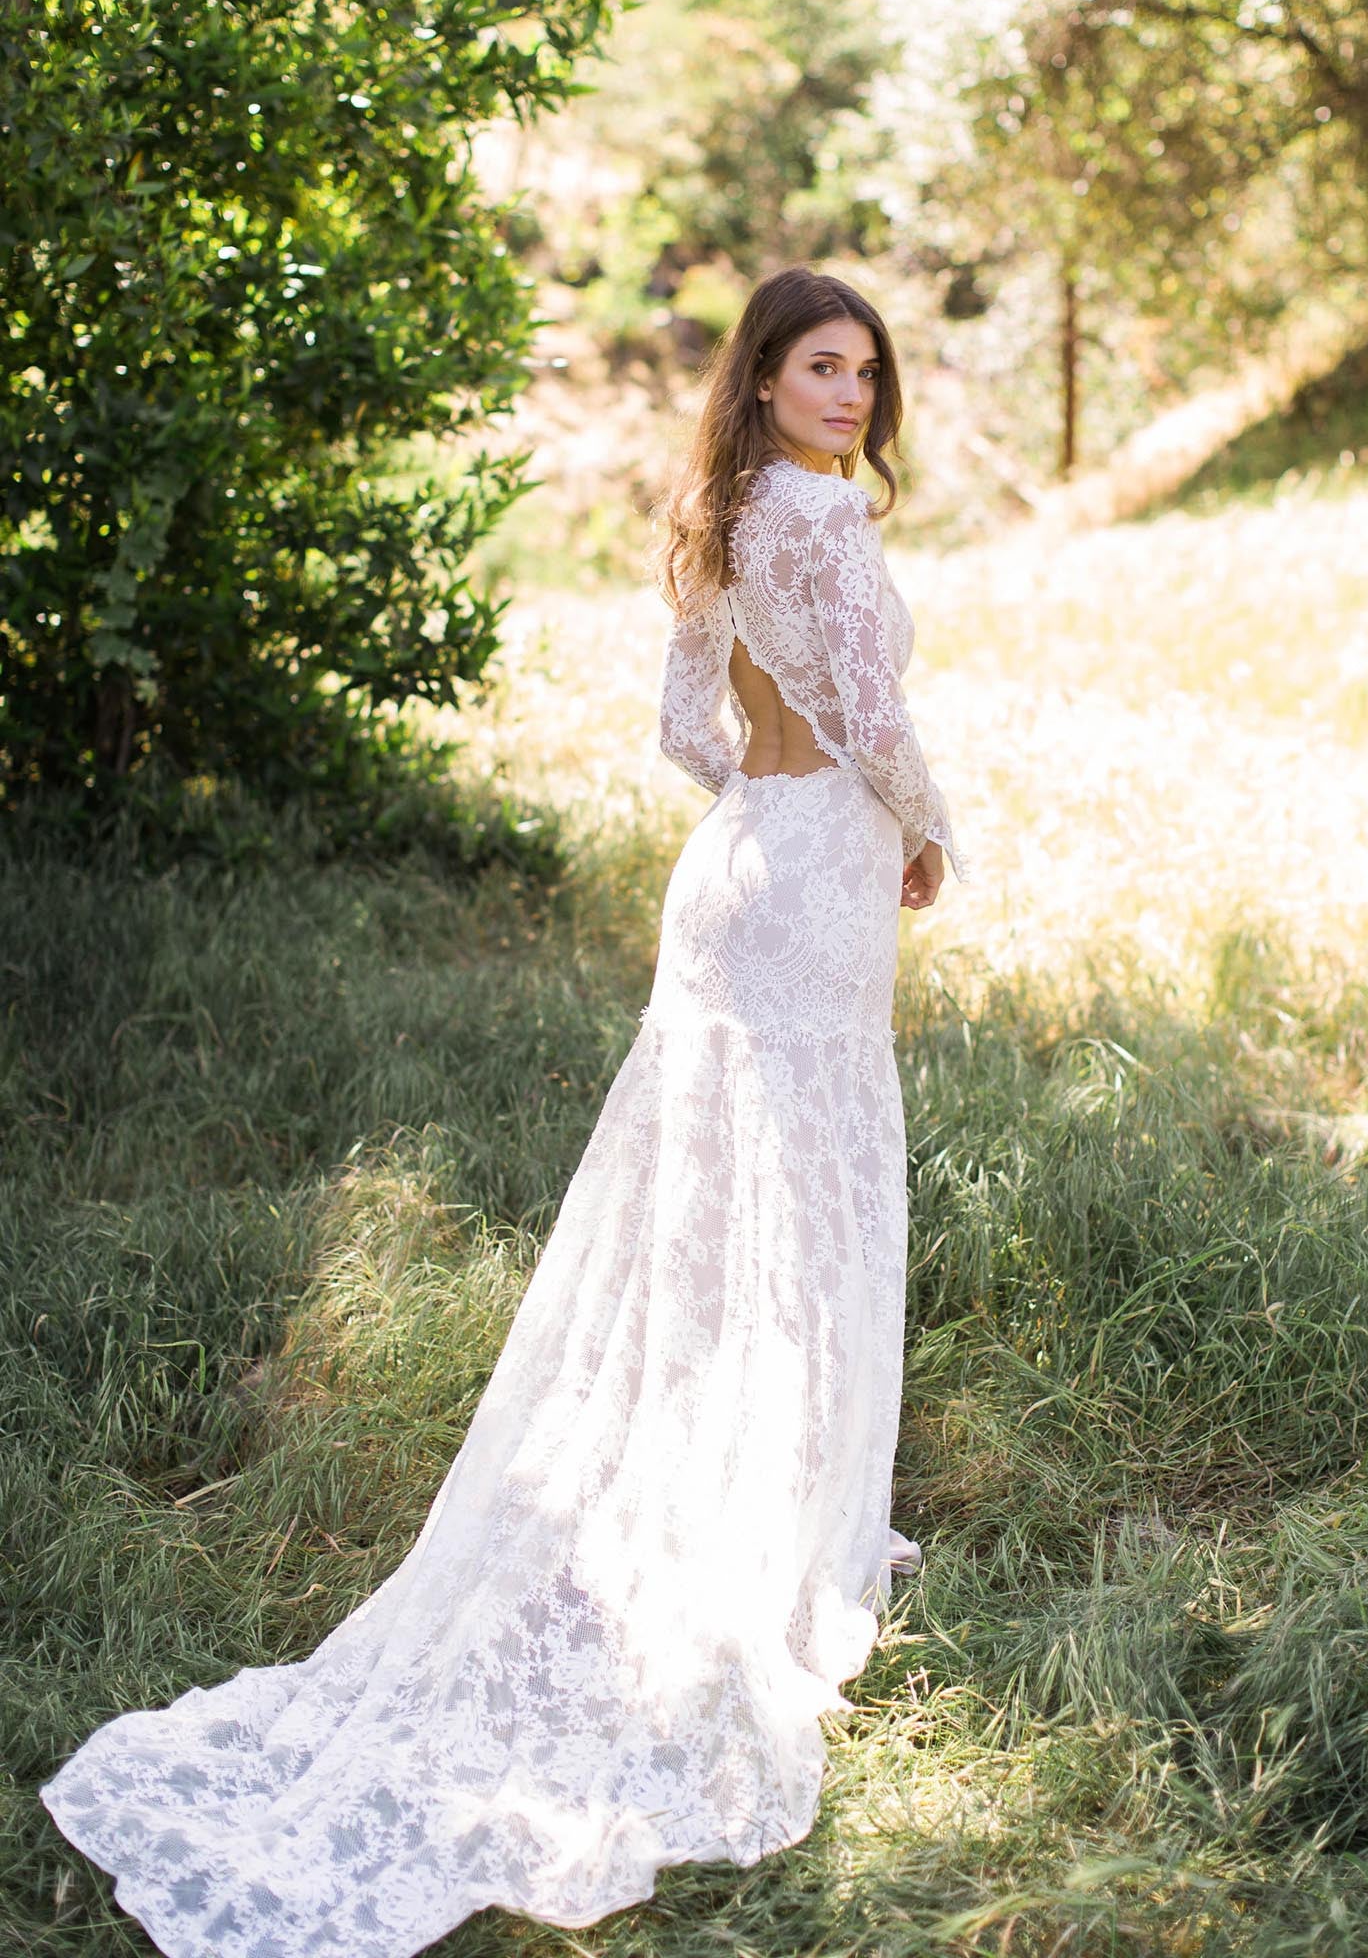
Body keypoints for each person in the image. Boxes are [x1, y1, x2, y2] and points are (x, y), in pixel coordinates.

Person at [40, 265, 963, 1958]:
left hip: (733, 869)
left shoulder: (723, 511)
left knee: (719, 1196)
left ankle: (751, 1485)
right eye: (821, 368)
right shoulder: (820, 523)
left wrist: (775, 801)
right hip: (816, 864)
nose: (852, 395)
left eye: (865, 372)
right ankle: (792, 1520)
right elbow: (876, 717)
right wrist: (928, 832)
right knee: (806, 1188)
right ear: (762, 380)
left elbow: (693, 725)